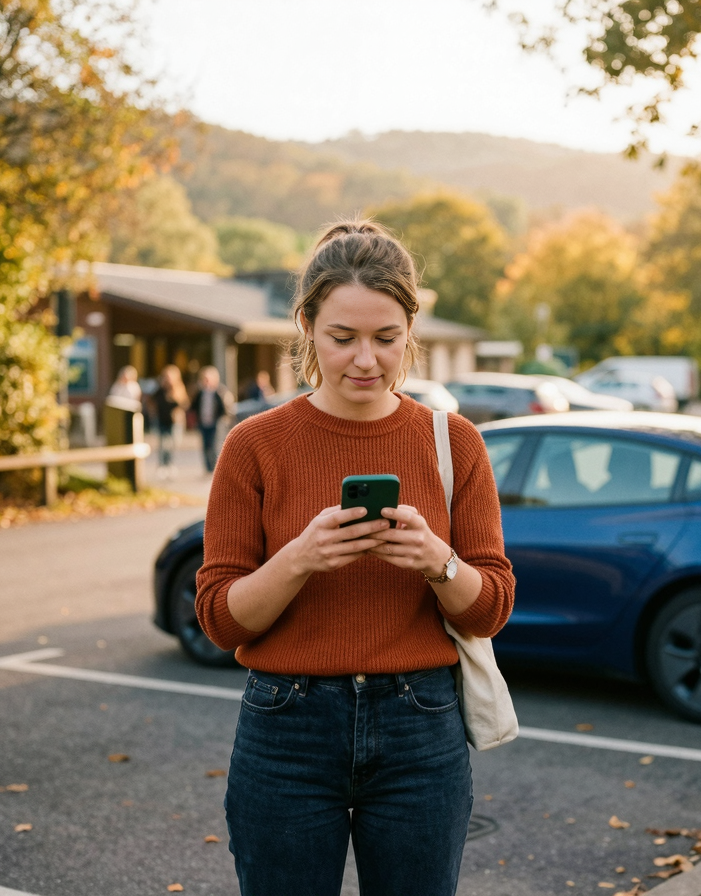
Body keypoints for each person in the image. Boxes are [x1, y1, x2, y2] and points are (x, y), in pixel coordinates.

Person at [195, 219, 515, 896]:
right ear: (307, 326)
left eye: (386, 338)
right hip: (286, 726)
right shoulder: (253, 445)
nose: (366, 359)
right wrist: (300, 558)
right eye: (343, 338)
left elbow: (489, 610)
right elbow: (221, 621)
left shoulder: (456, 442)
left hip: (420, 726)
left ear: (410, 331)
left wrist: (437, 560)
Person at [193, 365, 233, 473]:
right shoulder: (200, 393)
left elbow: (225, 407)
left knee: (214, 445)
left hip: (215, 423)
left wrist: (223, 418)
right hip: (203, 422)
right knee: (205, 445)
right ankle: (208, 467)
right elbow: (194, 406)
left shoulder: (219, 392)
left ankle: (215, 467)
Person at [153, 365, 189, 478]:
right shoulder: (160, 390)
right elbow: (152, 401)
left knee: (172, 444)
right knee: (163, 444)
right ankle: (162, 465)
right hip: (162, 420)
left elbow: (185, 404)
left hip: (174, 422)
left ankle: (170, 465)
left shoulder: (179, 389)